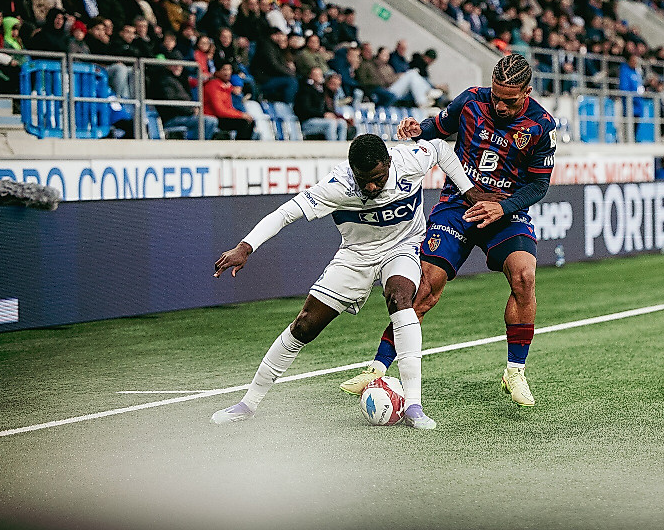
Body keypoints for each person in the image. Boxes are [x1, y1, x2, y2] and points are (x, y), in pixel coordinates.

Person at [211, 133, 494, 429]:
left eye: (377, 179)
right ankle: (248, 403)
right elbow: (285, 214)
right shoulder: (338, 185)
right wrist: (245, 247)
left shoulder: (410, 161)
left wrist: (469, 191)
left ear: (388, 162)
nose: (370, 187)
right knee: (305, 325)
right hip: (356, 254)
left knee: (400, 298)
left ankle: (413, 406)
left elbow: (440, 149)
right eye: (363, 180)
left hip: (402, 246)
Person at [339, 53, 557, 407]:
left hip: (504, 210)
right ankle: (377, 368)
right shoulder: (470, 101)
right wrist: (417, 130)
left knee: (524, 277)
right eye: (496, 96)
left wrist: (502, 207)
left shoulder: (541, 126)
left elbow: (538, 186)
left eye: (509, 100)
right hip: (458, 204)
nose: (500, 106)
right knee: (423, 288)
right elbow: (436, 127)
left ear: (527, 92)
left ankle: (515, 371)